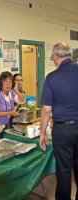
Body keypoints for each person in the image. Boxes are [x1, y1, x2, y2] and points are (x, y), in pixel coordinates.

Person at [40, 42, 78, 200]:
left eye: (52, 58)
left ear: (56, 56)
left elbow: (46, 110)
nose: (53, 62)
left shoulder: (52, 77)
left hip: (63, 131)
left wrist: (42, 134)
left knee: (64, 172)